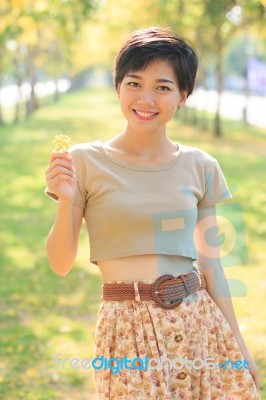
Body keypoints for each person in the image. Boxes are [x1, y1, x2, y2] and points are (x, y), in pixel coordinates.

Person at [45, 27, 260, 399]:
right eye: (134, 82)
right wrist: (66, 200)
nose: (146, 98)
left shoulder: (201, 165)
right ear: (117, 87)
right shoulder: (84, 161)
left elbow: (214, 265)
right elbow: (60, 264)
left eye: (163, 87)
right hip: (126, 330)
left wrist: (238, 346)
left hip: (199, 322)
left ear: (183, 97)